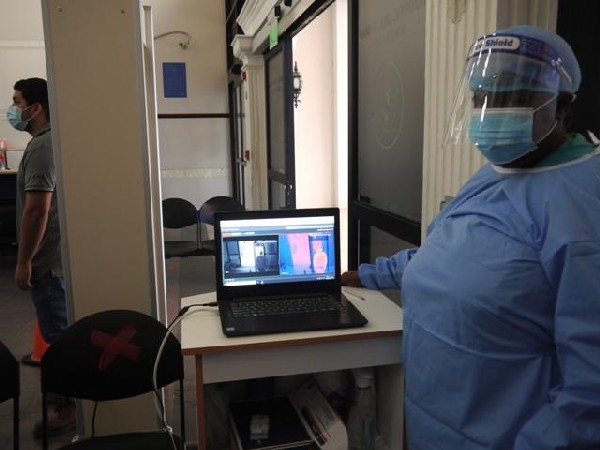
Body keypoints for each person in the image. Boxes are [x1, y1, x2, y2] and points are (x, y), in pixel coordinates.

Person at [342, 25, 600, 449]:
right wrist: (369, 275)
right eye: (482, 97)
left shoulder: (582, 205)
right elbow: (446, 253)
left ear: (563, 106)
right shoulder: (494, 176)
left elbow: (590, 394)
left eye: (512, 97)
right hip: (431, 421)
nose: (491, 110)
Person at [9, 77, 75, 437]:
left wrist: (24, 262)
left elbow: (36, 210)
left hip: (48, 264)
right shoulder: (52, 141)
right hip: (56, 260)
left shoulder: (41, 147)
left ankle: (70, 408)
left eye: (17, 102)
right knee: (58, 333)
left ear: (36, 108)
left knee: (58, 338)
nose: (13, 109)